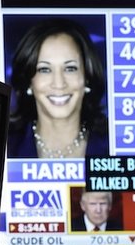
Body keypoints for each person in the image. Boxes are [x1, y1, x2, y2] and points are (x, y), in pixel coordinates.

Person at [7, 18, 109, 158]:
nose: (59, 83)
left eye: (70, 68)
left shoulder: (113, 144)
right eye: (44, 69)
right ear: (29, 81)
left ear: (87, 76)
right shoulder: (7, 146)